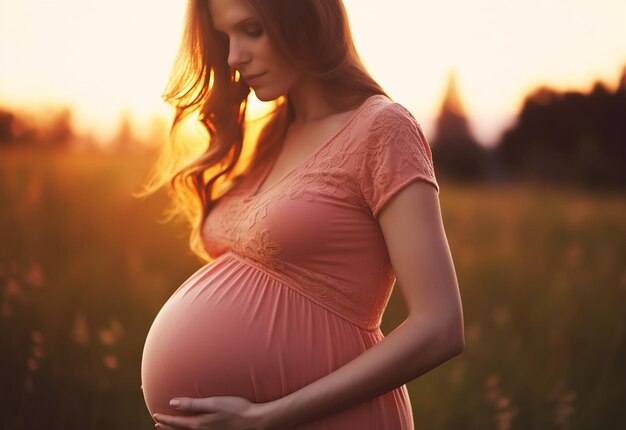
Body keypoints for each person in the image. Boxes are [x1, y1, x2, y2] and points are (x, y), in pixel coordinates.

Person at [139, 0, 465, 429]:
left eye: (251, 29)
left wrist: (267, 417)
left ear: (304, 16)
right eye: (224, 38)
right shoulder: (268, 136)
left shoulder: (382, 129)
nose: (234, 56)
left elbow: (440, 326)